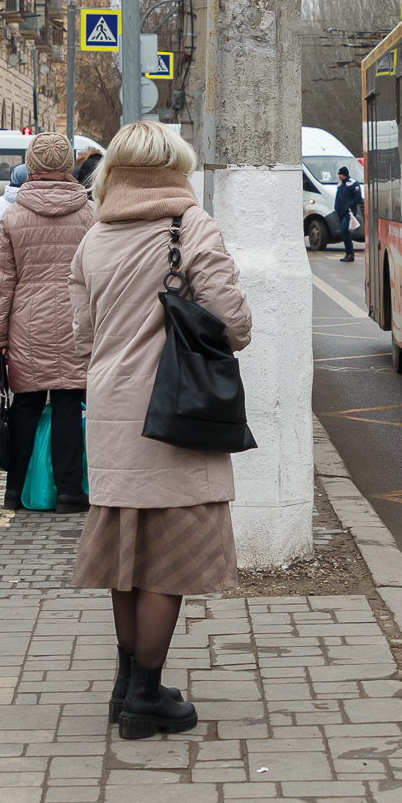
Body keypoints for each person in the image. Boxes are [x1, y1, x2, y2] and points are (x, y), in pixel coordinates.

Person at [69, 121, 251, 739]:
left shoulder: (94, 236)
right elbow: (233, 323)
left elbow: (82, 334)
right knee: (168, 561)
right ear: (176, 167)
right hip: (176, 411)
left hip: (112, 407)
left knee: (128, 553)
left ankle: (127, 684)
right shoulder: (189, 226)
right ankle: (147, 696)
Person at [0, 135, 95, 513]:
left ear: (31, 166)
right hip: (75, 321)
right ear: (69, 165)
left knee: (25, 406)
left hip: (26, 323)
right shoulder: (89, 214)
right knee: (67, 403)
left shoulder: (13, 215)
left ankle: (14, 491)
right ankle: (69, 491)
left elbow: (1, 284)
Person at [334, 166, 363, 262]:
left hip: (348, 213)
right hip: (340, 212)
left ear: (344, 174)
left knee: (344, 231)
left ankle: (350, 254)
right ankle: (348, 253)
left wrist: (349, 206)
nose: (339, 176)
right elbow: (338, 196)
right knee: (344, 233)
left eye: (340, 174)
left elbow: (358, 197)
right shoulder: (340, 184)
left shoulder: (352, 183)